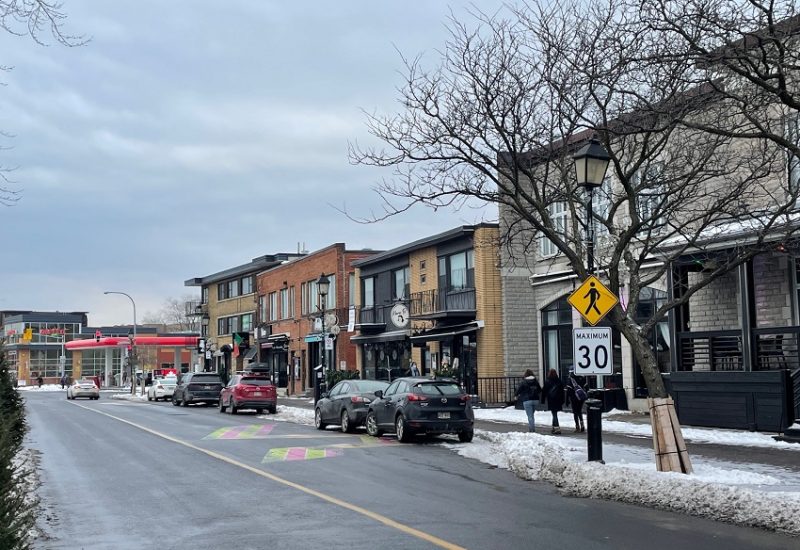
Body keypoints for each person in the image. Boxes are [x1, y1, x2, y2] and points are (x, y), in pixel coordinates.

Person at [541, 368, 565, 434]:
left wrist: (543, 400)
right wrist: (563, 400)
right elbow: (562, 391)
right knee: (554, 413)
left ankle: (557, 428)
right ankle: (554, 427)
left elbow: (544, 391)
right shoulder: (559, 381)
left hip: (551, 400)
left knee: (554, 414)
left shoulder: (548, 381)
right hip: (558, 399)